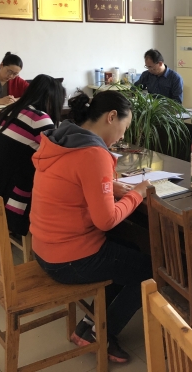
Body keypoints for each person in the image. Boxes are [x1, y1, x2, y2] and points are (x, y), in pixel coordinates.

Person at [30, 90, 152, 363]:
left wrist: (110, 187)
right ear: (111, 117)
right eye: (124, 127)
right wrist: (137, 194)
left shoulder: (62, 139)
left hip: (44, 247)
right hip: (69, 259)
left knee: (129, 251)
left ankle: (90, 324)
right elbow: (105, 220)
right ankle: (102, 333)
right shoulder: (93, 153)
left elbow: (72, 183)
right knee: (150, 270)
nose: (121, 136)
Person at [0, 75, 66, 237]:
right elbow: (57, 158)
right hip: (8, 200)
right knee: (61, 187)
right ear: (52, 99)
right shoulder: (39, 119)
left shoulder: (9, 110)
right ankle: (48, 240)